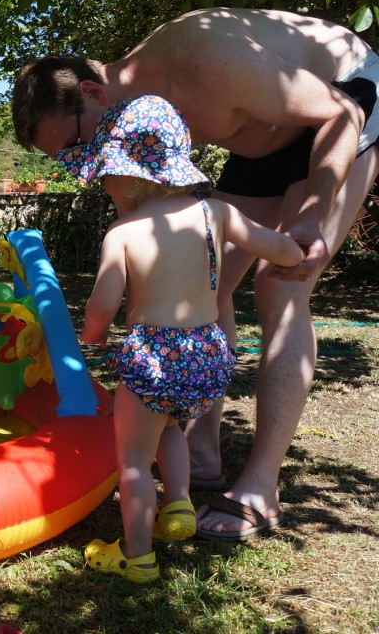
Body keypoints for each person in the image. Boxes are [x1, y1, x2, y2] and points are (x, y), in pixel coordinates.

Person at [11, 7, 379, 540]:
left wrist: (311, 211)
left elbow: (341, 112)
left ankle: (260, 486)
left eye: (75, 146)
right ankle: (200, 449)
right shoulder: (132, 123)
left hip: (344, 107)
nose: (85, 162)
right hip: (264, 138)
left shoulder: (204, 61)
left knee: (281, 282)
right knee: (208, 278)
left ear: (92, 93)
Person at [69, 95, 303, 582]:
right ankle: (177, 504)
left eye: (106, 173)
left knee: (132, 459)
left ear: (133, 174)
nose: (103, 183)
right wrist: (299, 250)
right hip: (207, 357)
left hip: (153, 357)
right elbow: (278, 246)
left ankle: (136, 558)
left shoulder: (123, 232)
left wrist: (90, 337)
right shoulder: (214, 212)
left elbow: (103, 306)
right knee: (170, 427)